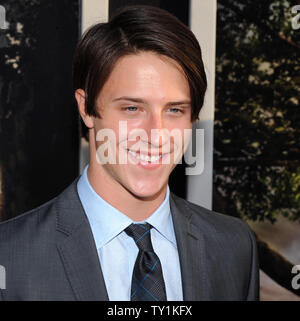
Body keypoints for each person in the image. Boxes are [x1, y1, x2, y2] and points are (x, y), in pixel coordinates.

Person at [0, 5, 259, 301]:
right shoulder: (10, 256)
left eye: (174, 110)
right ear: (86, 108)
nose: (156, 135)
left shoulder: (234, 248)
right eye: (132, 108)